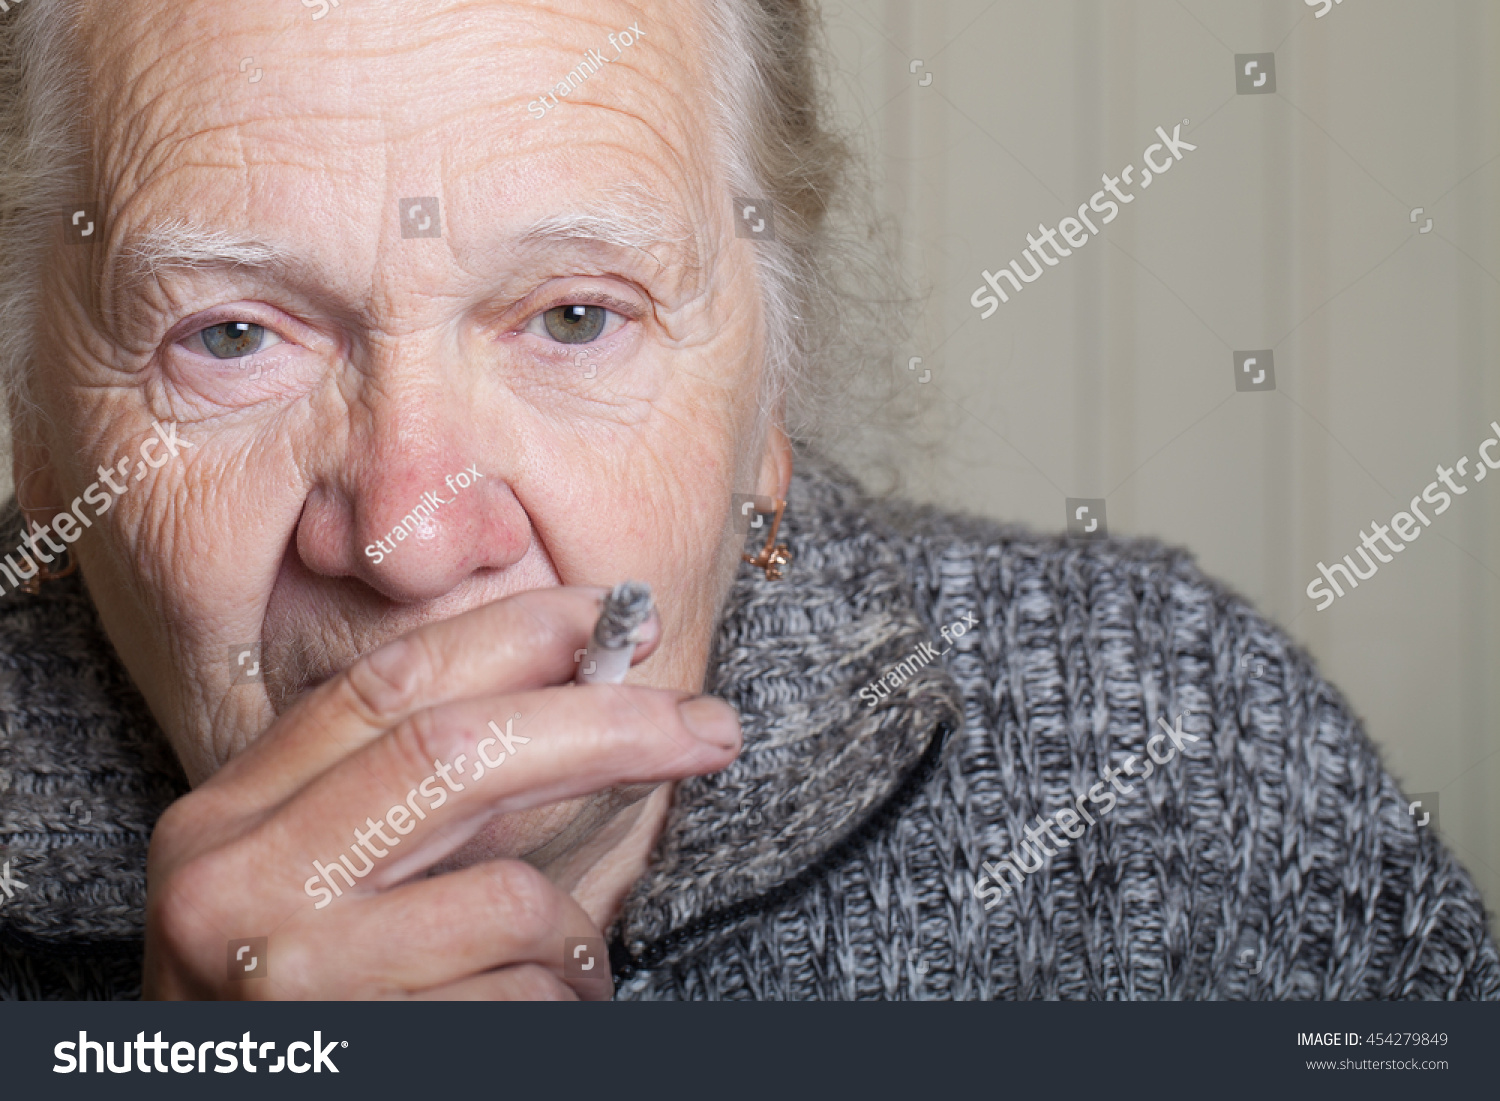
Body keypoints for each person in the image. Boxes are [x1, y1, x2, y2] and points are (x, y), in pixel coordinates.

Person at [0, 0, 1493, 1001]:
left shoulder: (1186, 748)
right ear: (37, 429)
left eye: (575, 317)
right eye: (234, 336)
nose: (415, 532)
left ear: (765, 406)